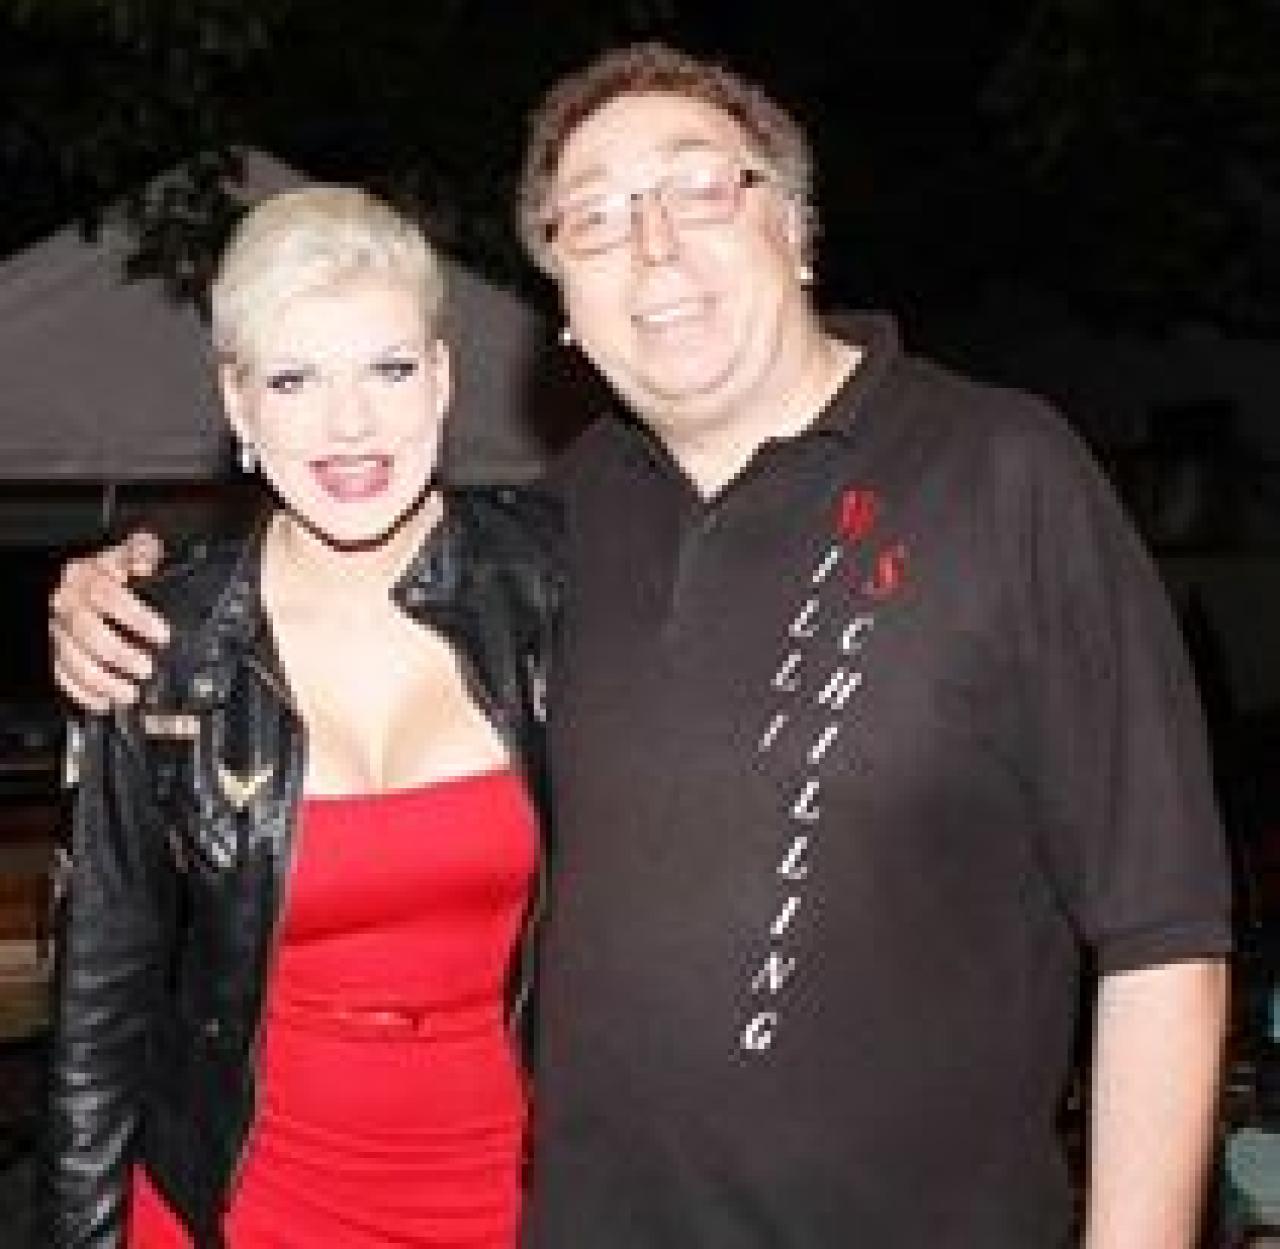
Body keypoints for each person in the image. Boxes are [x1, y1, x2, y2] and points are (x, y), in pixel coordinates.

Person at [50, 42, 1230, 1249]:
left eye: (698, 187)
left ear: (795, 228)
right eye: (596, 218)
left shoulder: (1000, 471)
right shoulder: (556, 530)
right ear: (563, 303)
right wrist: (121, 584)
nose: (653, 243)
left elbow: (1162, 937)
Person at [41, 186, 558, 1248]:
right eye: (293, 379)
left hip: (523, 1200)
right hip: (236, 1209)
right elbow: (99, 1006)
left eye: (388, 369)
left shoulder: (558, 590)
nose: (348, 422)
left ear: (442, 378)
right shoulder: (156, 644)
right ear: (237, 404)